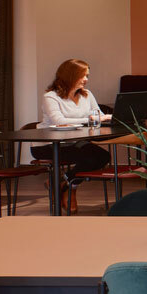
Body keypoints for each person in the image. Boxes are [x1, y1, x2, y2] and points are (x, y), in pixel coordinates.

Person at [34, 59, 113, 210]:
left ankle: (67, 185)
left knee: (103, 157)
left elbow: (99, 115)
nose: (86, 80)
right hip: (48, 144)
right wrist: (91, 119)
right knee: (90, 158)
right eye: (82, 76)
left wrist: (105, 118)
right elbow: (59, 120)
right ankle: (69, 187)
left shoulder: (87, 95)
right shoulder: (50, 96)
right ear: (69, 75)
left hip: (73, 142)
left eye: (87, 76)